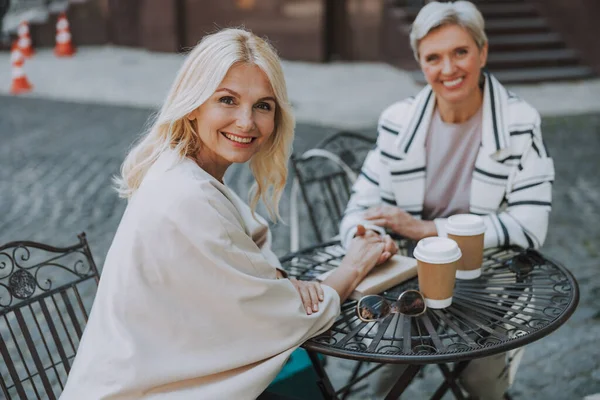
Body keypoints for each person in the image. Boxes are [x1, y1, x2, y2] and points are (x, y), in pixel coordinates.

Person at [60, 28, 397, 400]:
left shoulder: (178, 169)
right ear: (193, 105)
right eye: (227, 100)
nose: (246, 122)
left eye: (263, 106)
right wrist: (352, 267)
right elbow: (282, 319)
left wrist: (274, 282)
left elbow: (241, 281)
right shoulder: (187, 196)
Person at [339, 1, 554, 399]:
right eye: (433, 57)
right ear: (420, 63)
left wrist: (430, 229)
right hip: (405, 280)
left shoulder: (519, 122)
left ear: (483, 51)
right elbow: (360, 210)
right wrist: (366, 241)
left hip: (484, 280)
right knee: (388, 378)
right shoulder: (398, 122)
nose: (449, 69)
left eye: (460, 52)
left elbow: (530, 224)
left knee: (481, 383)